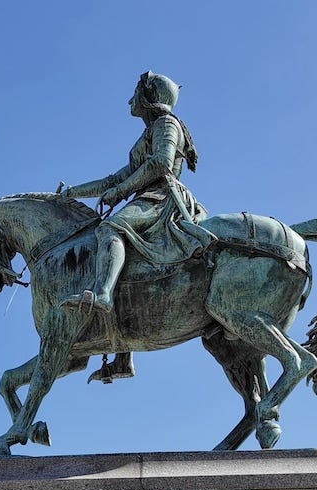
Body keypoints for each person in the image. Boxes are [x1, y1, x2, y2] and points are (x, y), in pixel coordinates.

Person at [60, 71, 216, 383]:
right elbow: (113, 179)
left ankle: (103, 295)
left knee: (110, 230)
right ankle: (122, 358)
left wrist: (119, 193)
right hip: (148, 196)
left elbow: (159, 164)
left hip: (163, 198)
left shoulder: (167, 125)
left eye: (135, 93)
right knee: (124, 257)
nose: (130, 100)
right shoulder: (147, 133)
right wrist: (71, 193)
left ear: (148, 97)